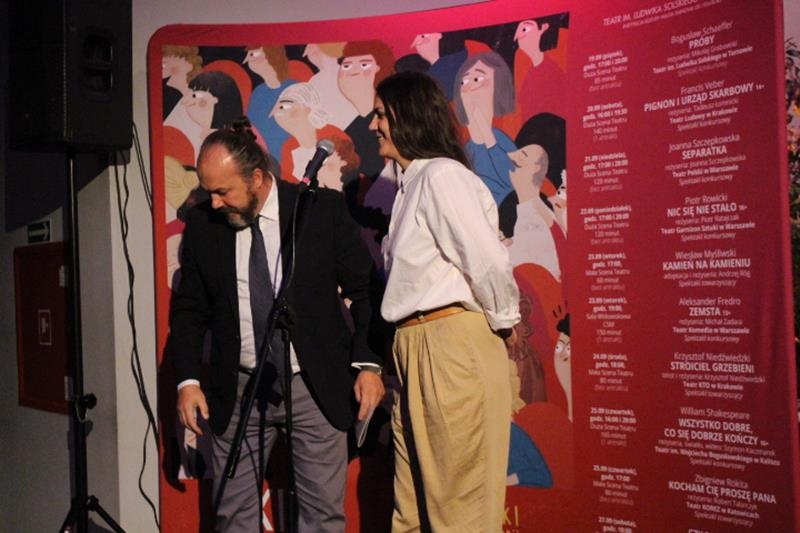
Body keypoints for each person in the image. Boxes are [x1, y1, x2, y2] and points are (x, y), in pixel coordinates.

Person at [167, 117, 385, 532]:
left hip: (314, 384)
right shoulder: (203, 225)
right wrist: (188, 381)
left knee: (322, 518)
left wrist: (369, 364)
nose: (214, 203)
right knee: (233, 517)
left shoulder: (318, 211)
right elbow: (190, 310)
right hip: (239, 388)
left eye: (223, 191)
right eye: (209, 191)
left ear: (256, 178)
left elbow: (365, 290)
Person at [369, 71, 520, 532]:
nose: (373, 126)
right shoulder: (411, 185)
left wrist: (504, 321)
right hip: (414, 345)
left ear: (408, 116)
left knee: (459, 511)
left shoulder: (441, 175)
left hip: (450, 343)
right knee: (412, 510)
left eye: (381, 115)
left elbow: (485, 258)